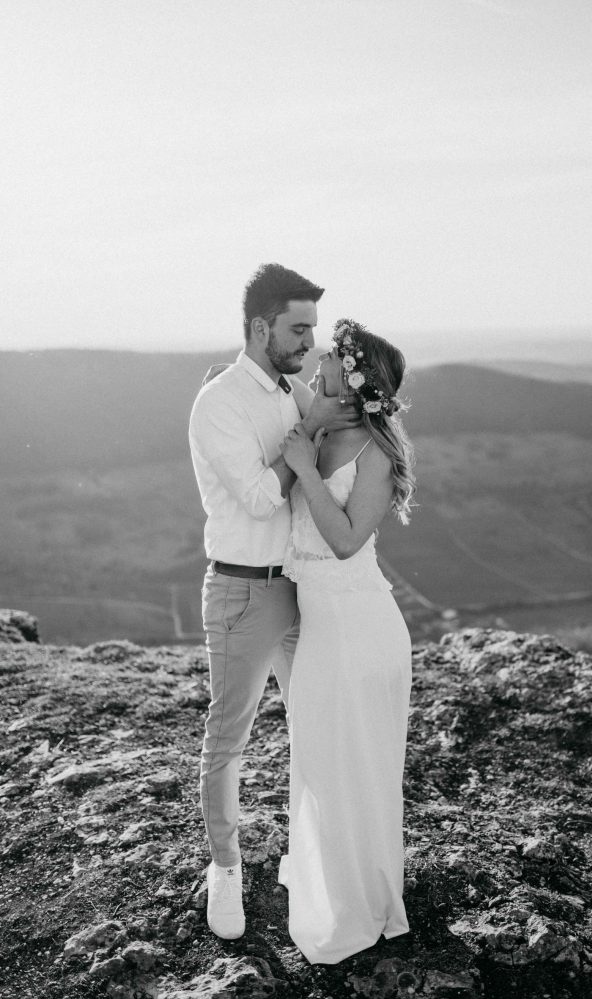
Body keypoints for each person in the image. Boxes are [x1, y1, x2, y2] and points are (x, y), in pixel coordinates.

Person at [188, 265, 359, 941]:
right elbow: (262, 499)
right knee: (229, 736)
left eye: (313, 329)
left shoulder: (295, 391)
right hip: (243, 590)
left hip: (301, 585)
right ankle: (225, 869)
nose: (310, 342)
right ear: (260, 328)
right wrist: (308, 430)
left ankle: (315, 859)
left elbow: (330, 447)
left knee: (315, 721)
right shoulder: (220, 402)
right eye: (298, 328)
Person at [277, 317, 416, 964]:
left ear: (354, 376)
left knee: (352, 769)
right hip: (321, 629)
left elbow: (344, 542)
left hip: (359, 631)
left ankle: (361, 903)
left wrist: (305, 469)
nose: (319, 358)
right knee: (319, 761)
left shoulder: (374, 453)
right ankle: (330, 884)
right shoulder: (322, 426)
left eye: (331, 354)